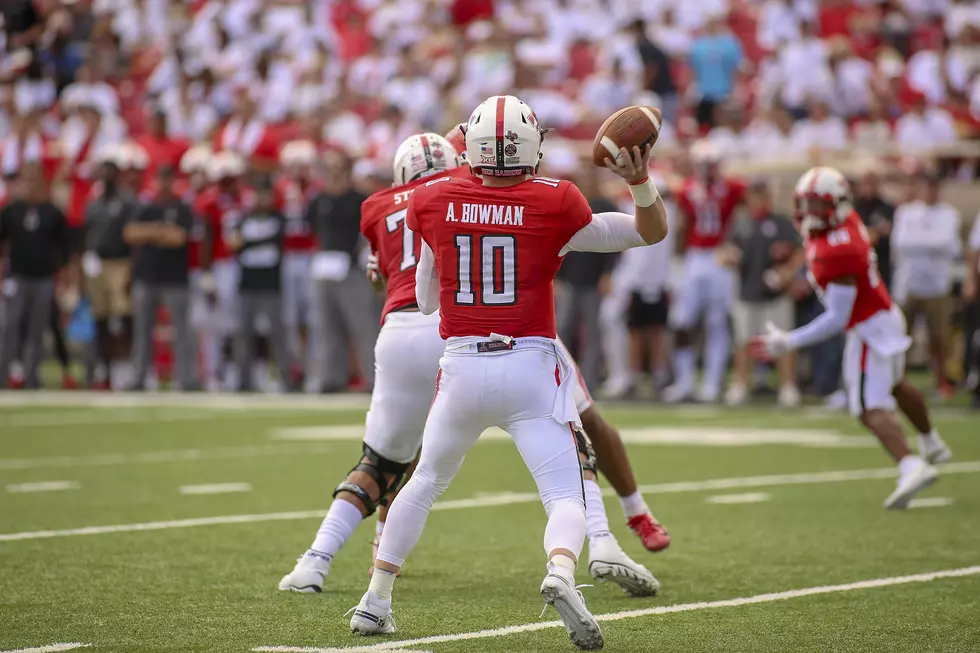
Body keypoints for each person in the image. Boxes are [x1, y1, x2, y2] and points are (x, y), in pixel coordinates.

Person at [348, 95, 668, 650]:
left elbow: (425, 302)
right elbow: (646, 232)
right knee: (564, 495)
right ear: (531, 145)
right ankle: (563, 571)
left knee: (422, 484)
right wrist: (640, 182)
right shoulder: (556, 201)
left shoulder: (434, 198)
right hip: (529, 367)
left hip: (462, 369)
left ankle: (376, 600)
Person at [280, 134, 660, 601]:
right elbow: (633, 229)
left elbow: (404, 283)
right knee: (574, 437)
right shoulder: (525, 191)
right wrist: (637, 180)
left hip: (418, 337)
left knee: (393, 467)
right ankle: (596, 543)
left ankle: (330, 568)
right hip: (511, 337)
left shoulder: (394, 203)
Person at [445, 123, 672, 553]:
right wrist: (639, 183)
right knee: (569, 434)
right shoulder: (468, 196)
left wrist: (640, 183)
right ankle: (603, 538)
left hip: (520, 339)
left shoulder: (457, 199)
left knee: (581, 425)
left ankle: (620, 523)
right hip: (464, 339)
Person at [750, 166, 951, 509]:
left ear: (837, 204)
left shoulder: (837, 252)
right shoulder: (847, 223)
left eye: (818, 205)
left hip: (868, 328)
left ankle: (910, 464)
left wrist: (788, 341)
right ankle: (931, 441)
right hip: (885, 314)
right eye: (807, 204)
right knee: (897, 384)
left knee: (867, 409)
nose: (811, 213)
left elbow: (837, 319)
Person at [664, 139, 746, 403]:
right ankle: (685, 380)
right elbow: (682, 225)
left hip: (719, 256)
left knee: (717, 321)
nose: (707, 169)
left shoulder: (732, 188)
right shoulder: (687, 189)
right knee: (681, 321)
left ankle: (712, 381)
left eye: (711, 164)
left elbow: (745, 213)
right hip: (694, 257)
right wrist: (677, 262)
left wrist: (734, 243)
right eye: (703, 164)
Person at [720, 181, 804, 406]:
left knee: (781, 342)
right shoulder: (742, 223)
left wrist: (786, 272)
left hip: (775, 295)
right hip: (747, 291)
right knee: (743, 342)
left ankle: (788, 386)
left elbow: (799, 251)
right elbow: (725, 252)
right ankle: (740, 385)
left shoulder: (781, 223)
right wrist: (729, 258)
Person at [306, 150, 376, 392]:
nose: (333, 172)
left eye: (337, 167)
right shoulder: (318, 200)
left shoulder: (358, 199)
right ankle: (331, 378)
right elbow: (312, 228)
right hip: (324, 268)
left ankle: (372, 378)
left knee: (362, 326)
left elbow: (368, 232)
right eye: (329, 167)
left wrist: (356, 254)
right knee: (326, 326)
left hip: (350, 268)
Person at [124, 164, 196, 391]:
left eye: (168, 179)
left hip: (175, 279)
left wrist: (150, 233)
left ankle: (184, 379)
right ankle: (139, 377)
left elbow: (179, 238)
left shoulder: (182, 208)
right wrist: (160, 230)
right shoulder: (146, 207)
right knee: (142, 332)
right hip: (146, 277)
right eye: (160, 179)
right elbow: (130, 234)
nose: (164, 185)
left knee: (181, 331)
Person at [891, 171, 961, 399]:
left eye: (934, 187)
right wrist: (932, 243)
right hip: (909, 284)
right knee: (903, 337)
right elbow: (902, 243)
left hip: (937, 286)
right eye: (926, 187)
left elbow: (949, 245)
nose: (930, 192)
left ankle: (941, 381)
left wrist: (920, 242)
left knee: (939, 337)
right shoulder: (906, 212)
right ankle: (898, 381)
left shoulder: (950, 214)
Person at [0, 163, 70, 388]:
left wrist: (64, 281)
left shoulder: (53, 212)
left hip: (44, 278)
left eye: (35, 179)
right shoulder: (11, 211)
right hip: (18, 277)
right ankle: (3, 373)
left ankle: (32, 376)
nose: (30, 184)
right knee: (10, 326)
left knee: (36, 329)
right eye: (26, 179)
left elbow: (64, 250)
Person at [83, 144, 142, 389]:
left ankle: (126, 367)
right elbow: (88, 233)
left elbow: (133, 237)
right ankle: (102, 368)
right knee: (101, 317)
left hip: (120, 263)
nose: (105, 176)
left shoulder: (127, 201)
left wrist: (132, 268)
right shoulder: (94, 204)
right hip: (97, 265)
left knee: (124, 317)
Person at [228, 176, 294, 393]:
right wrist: (256, 242)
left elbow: (277, 241)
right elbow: (233, 244)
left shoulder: (278, 217)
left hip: (271, 284)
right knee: (244, 334)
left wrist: (247, 243)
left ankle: (286, 378)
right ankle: (243, 380)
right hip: (247, 283)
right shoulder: (242, 218)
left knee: (278, 333)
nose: (261, 198)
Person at [194, 150, 248, 391]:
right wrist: (206, 272)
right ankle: (213, 373)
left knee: (237, 322)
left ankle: (236, 371)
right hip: (220, 265)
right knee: (215, 323)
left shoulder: (242, 198)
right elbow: (207, 237)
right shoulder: (210, 200)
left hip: (239, 264)